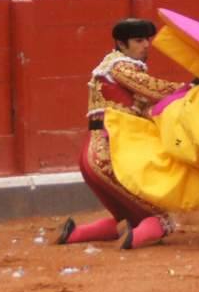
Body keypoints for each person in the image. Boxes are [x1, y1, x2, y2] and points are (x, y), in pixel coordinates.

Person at [55, 18, 185, 249]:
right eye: (138, 41)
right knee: (163, 217)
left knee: (127, 215)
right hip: (111, 155)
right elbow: (153, 89)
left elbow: (147, 107)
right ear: (121, 44)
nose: (146, 45)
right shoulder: (120, 67)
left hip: (92, 156)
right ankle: (134, 239)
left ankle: (74, 234)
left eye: (147, 39)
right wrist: (192, 88)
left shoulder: (113, 67)